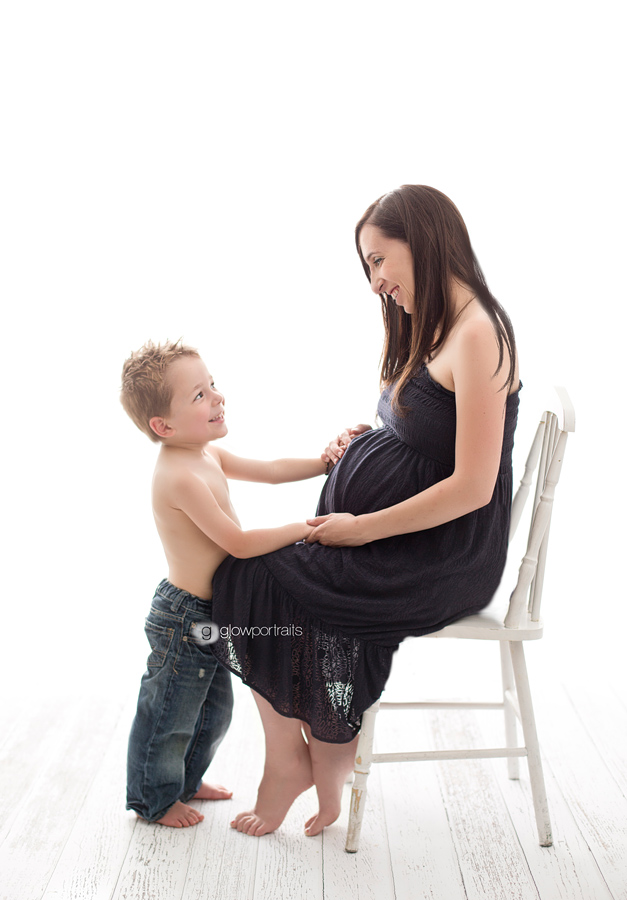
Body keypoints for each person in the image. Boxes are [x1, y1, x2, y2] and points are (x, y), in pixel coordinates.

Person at [210, 184, 521, 838]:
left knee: (254, 573)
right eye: (367, 266)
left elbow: (471, 487)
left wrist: (360, 530)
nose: (374, 281)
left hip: (446, 555)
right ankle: (303, 752)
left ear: (425, 242)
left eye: (379, 260)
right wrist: (369, 440)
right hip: (399, 540)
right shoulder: (428, 324)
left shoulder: (478, 334)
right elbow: (424, 432)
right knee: (245, 569)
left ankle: (303, 754)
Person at [120, 340, 325, 827]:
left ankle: (186, 782)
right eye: (199, 395)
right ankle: (154, 799)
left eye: (212, 385)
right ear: (162, 426)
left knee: (213, 710)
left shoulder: (206, 452)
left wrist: (325, 462)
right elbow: (236, 542)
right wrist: (305, 528)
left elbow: (272, 472)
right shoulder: (179, 475)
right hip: (183, 616)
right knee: (170, 712)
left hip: (216, 612)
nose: (217, 397)